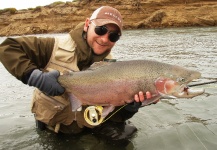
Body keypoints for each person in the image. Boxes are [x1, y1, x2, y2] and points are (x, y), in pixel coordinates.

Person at [0, 6, 154, 141]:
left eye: (113, 36)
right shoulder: (51, 47)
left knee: (126, 134)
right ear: (87, 24)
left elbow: (111, 117)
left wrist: (129, 108)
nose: (105, 38)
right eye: (101, 30)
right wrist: (35, 77)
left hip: (87, 128)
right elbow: (7, 48)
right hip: (52, 130)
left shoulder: (114, 69)